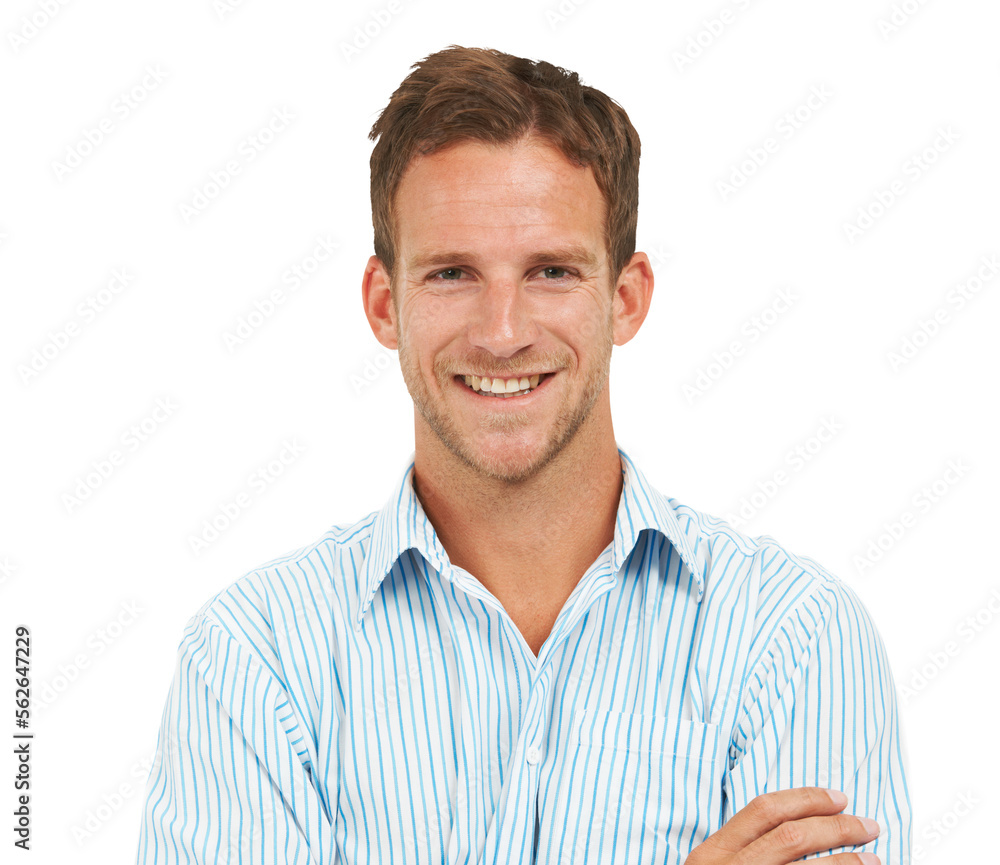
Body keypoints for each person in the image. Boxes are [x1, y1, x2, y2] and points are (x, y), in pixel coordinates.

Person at [135, 45, 911, 864]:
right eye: (451, 274)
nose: (503, 332)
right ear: (383, 303)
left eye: (550, 270)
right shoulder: (254, 661)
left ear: (626, 297)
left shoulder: (792, 640)